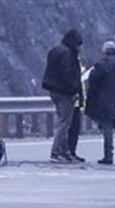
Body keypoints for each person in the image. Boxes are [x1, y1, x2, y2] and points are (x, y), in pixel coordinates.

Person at [42, 29, 83, 163]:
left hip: (53, 90)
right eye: (78, 44)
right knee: (64, 123)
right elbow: (67, 74)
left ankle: (65, 152)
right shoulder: (67, 54)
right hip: (64, 92)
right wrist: (73, 90)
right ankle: (56, 152)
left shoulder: (55, 50)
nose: (79, 47)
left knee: (63, 121)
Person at [67, 63, 90, 162]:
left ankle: (71, 152)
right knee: (71, 129)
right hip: (72, 103)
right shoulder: (71, 67)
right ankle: (68, 152)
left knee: (75, 130)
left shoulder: (76, 67)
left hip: (77, 103)